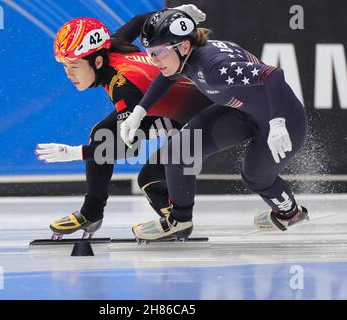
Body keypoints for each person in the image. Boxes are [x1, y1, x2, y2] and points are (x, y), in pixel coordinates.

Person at [120, 9, 309, 240]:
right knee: (178, 151)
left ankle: (290, 213)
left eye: (158, 52)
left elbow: (273, 75)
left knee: (255, 178)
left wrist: (278, 121)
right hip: (242, 112)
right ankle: (179, 220)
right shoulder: (184, 57)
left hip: (284, 123)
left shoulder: (216, 69)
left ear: (184, 47)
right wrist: (139, 112)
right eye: (150, 53)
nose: (154, 60)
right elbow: (167, 76)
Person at [35, 6, 212, 238]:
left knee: (149, 179)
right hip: (169, 105)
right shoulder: (111, 46)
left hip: (200, 116)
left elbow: (122, 147)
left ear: (97, 62)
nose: (69, 74)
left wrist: (74, 153)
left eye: (74, 66)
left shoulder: (122, 85)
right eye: (65, 66)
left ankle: (179, 221)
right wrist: (172, 12)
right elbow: (140, 20)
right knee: (102, 132)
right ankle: (92, 212)